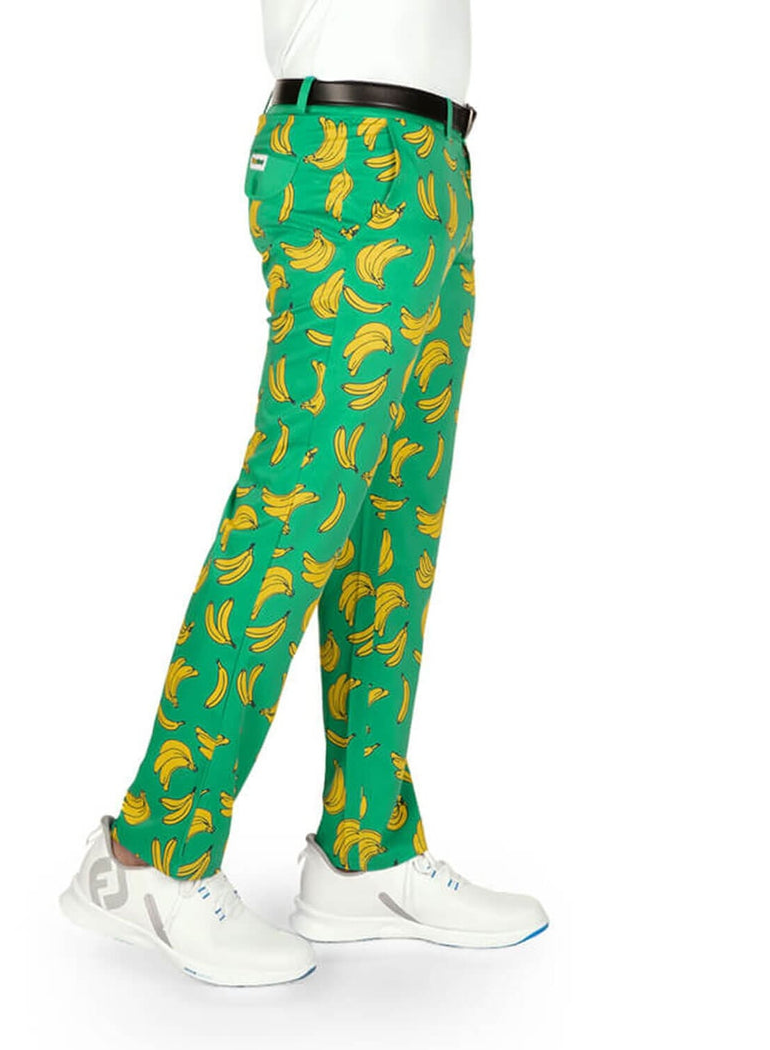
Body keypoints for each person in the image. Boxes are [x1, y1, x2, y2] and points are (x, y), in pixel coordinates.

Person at [59, 0, 548, 988]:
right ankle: (150, 853)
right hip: (354, 156)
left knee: (391, 529)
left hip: (435, 164)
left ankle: (365, 850)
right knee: (290, 521)